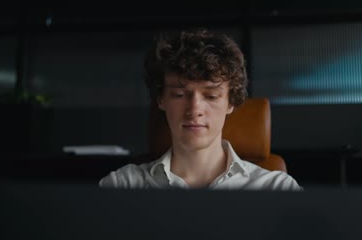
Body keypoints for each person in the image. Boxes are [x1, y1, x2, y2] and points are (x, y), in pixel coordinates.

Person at [99, 28, 301, 190]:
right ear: (161, 99)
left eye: (211, 96)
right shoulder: (121, 186)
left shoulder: (277, 189)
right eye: (179, 94)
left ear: (230, 102)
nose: (195, 109)